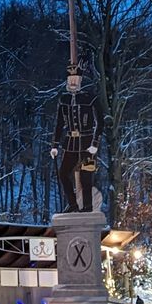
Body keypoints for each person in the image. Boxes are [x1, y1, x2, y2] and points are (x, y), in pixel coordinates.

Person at [50, 71, 102, 213]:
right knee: (63, 173)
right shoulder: (64, 99)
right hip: (70, 143)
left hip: (87, 143)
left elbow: (100, 122)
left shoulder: (90, 98)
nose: (72, 82)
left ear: (80, 80)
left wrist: (95, 143)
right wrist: (55, 145)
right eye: (70, 79)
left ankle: (87, 206)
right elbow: (59, 123)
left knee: (86, 175)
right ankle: (72, 203)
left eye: (75, 79)